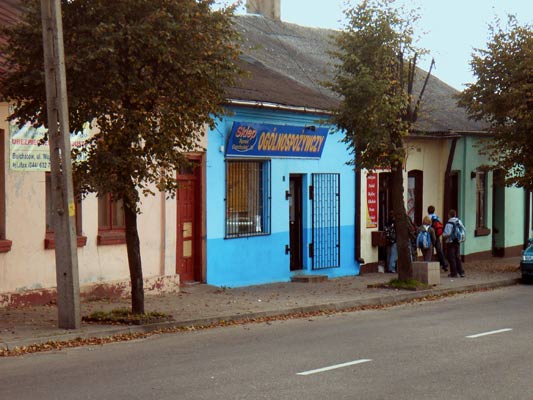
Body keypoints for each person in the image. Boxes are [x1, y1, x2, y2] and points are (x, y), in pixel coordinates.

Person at [442, 209, 466, 278]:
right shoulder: (459, 221)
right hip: (457, 241)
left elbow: (447, 233)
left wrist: (443, 236)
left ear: (449, 215)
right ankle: (461, 272)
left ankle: (454, 272)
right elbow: (464, 229)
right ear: (455, 215)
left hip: (451, 241)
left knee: (451, 257)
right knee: (457, 256)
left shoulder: (449, 223)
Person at [427, 205, 449, 272]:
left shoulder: (428, 217)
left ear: (428, 211)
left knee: (430, 251)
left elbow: (427, 227)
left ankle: (430, 266)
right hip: (437, 236)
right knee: (439, 251)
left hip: (431, 236)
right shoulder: (437, 217)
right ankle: (444, 265)